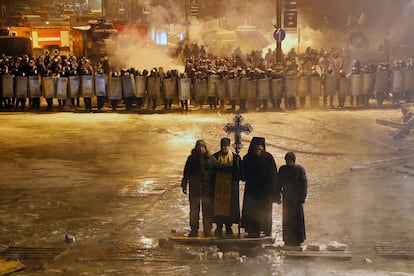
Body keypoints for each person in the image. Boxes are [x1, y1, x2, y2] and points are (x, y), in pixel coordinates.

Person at [241, 137, 278, 237]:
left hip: (265, 191)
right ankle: (252, 229)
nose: (258, 148)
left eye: (260, 146)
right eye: (256, 146)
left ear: (263, 147)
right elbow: (243, 175)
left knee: (265, 211)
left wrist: (273, 192)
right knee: (251, 211)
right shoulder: (247, 158)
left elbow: (273, 175)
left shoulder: (269, 158)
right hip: (252, 191)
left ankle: (266, 229)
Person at [181, 140, 217, 237]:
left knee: (207, 211)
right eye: (199, 147)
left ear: (205, 148)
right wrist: (184, 184)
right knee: (194, 211)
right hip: (195, 189)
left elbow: (217, 170)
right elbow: (186, 172)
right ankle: (194, 230)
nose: (201, 149)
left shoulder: (210, 159)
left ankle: (208, 230)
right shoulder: (191, 159)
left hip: (207, 189)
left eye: (202, 147)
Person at [276, 152, 307, 246]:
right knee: (288, 219)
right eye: (287, 160)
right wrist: (278, 196)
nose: (287, 161)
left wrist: (302, 197)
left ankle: (297, 240)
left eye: (289, 160)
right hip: (290, 198)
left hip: (296, 199)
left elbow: (304, 185)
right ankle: (289, 239)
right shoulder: (285, 169)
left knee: (295, 219)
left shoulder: (297, 169)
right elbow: (279, 184)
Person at [211, 138, 241, 236]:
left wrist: (236, 167)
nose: (224, 147)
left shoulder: (235, 157)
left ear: (229, 146)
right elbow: (212, 170)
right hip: (218, 188)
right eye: (223, 146)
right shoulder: (215, 157)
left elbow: (238, 172)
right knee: (218, 207)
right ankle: (219, 226)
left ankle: (229, 227)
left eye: (226, 145)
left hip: (230, 187)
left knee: (230, 208)